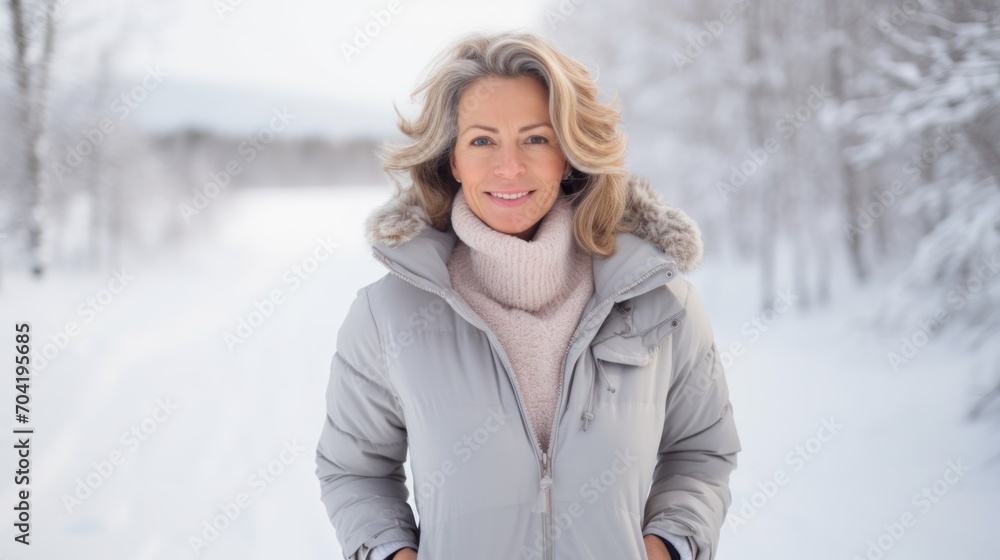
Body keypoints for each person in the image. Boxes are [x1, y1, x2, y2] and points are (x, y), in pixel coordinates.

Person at [315, 30, 741, 560]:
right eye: (482, 140)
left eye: (536, 138)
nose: (509, 166)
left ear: (569, 153)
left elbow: (701, 452)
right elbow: (354, 470)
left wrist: (667, 548)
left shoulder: (660, 302)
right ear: (452, 160)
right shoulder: (389, 313)